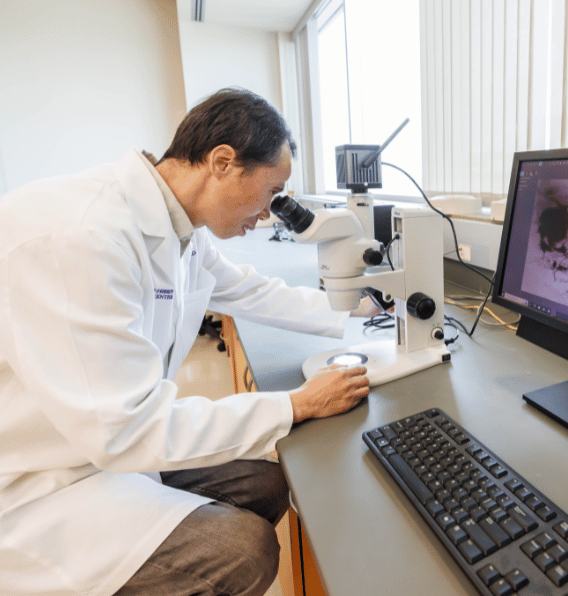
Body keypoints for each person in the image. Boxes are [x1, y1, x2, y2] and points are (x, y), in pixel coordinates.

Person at [0, 88, 376, 595]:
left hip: (97, 446)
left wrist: (358, 306)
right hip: (38, 484)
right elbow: (126, 428)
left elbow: (251, 290)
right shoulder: (82, 238)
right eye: (270, 192)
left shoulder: (180, 226)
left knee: (267, 479)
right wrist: (294, 405)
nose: (268, 214)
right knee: (244, 550)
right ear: (223, 163)